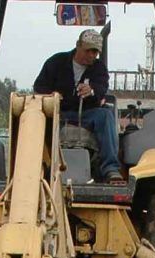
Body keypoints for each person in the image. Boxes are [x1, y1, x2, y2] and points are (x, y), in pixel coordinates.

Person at [33, 27, 123, 182]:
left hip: (87, 114)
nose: (91, 55)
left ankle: (110, 169)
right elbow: (39, 87)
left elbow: (102, 87)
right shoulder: (56, 62)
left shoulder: (99, 69)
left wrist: (92, 90)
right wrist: (52, 95)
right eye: (88, 50)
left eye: (95, 52)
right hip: (57, 112)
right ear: (78, 45)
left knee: (106, 116)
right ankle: (37, 166)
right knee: (36, 117)